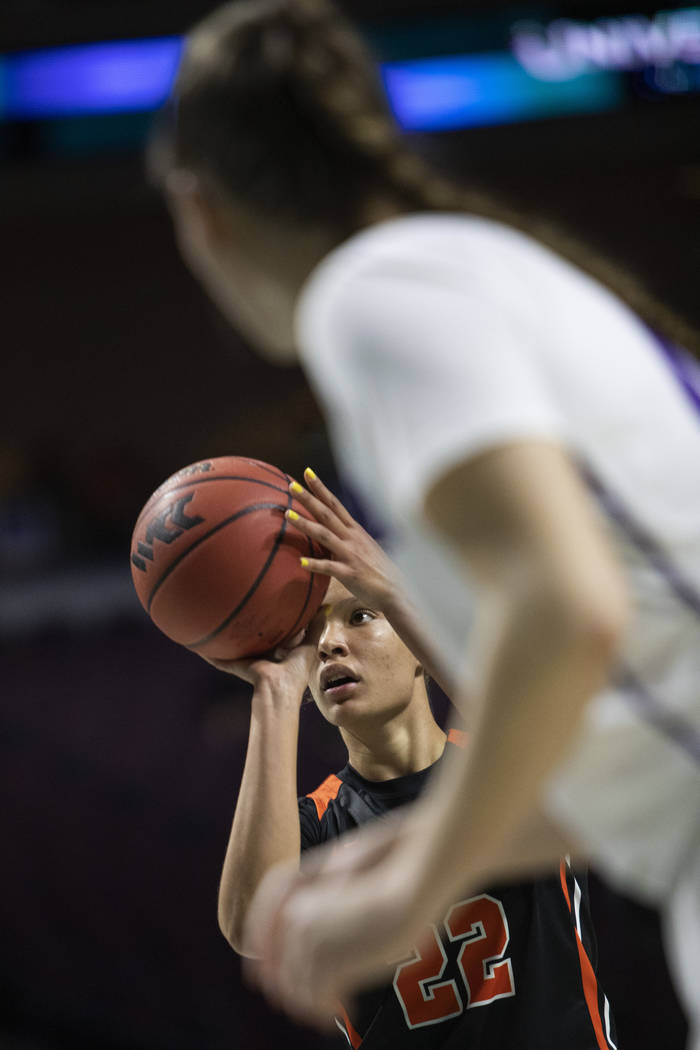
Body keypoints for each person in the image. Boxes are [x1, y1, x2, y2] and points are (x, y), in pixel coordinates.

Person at [152, 0, 700, 1043]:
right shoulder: (474, 264)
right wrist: (413, 853)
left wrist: (408, 894)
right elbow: (635, 750)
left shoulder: (373, 296)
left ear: (201, 212)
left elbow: (568, 603)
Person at [212, 477, 617, 1049]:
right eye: (312, 631)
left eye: (359, 616)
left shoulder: (504, 765)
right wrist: (277, 691)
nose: (327, 644)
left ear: (415, 643)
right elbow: (251, 923)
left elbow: (548, 729)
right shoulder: (315, 823)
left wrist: (394, 589)